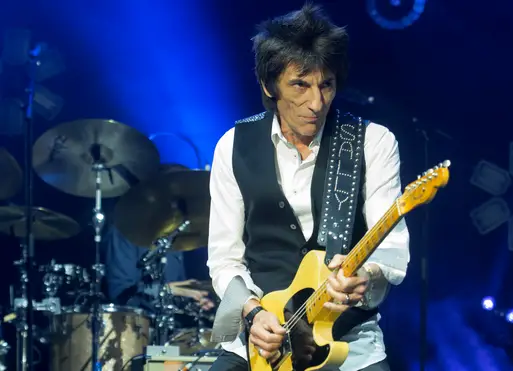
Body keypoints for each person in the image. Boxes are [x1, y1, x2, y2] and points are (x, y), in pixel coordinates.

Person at [207, 4, 409, 371]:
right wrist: (252, 315)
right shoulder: (232, 145)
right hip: (260, 346)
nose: (316, 103)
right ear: (269, 85)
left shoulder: (372, 142)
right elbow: (224, 259)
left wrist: (367, 275)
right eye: (300, 84)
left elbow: (392, 251)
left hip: (348, 347)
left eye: (326, 84)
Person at [104, 164, 215, 314]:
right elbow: (120, 294)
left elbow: (174, 291)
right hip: (133, 328)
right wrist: (166, 290)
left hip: (168, 330)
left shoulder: (177, 237)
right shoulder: (125, 232)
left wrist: (191, 299)